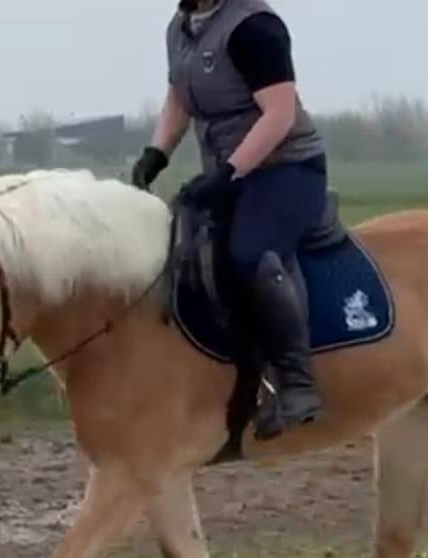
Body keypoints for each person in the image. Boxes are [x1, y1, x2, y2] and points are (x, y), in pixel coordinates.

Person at [132, 0, 329, 441]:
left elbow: (280, 114)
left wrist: (229, 172)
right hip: (232, 172)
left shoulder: (254, 27)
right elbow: (179, 100)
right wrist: (156, 154)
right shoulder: (181, 28)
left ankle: (297, 384)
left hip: (287, 169)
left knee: (248, 256)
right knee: (184, 253)